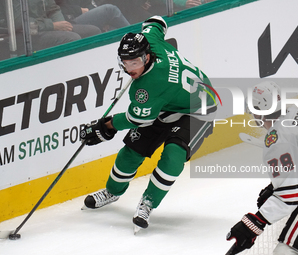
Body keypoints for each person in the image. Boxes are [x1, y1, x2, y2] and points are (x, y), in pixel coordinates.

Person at [80, 15, 218, 232]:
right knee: (132, 151)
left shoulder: (148, 88)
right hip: (167, 103)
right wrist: (148, 30)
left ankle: (149, 202)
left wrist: (106, 126)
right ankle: (113, 191)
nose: (129, 69)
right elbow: (157, 21)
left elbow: (138, 119)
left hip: (199, 109)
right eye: (125, 63)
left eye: (134, 63)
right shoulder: (149, 39)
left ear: (147, 57)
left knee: (174, 154)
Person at [226, 81, 298, 255]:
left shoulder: (276, 138)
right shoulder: (297, 112)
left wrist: (253, 224)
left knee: (287, 251)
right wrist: (275, 187)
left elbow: (288, 197)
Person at [1, 0, 101, 55]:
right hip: (24, 35)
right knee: (72, 38)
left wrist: (61, 24)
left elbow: (53, 9)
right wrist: (53, 26)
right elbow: (19, 23)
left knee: (93, 32)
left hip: (46, 28)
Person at [55, 0, 130, 32]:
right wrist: (79, 10)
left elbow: (88, 3)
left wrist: (102, 19)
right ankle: (138, 40)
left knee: (112, 29)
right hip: (65, 22)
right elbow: (52, 9)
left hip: (83, 15)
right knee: (110, 10)